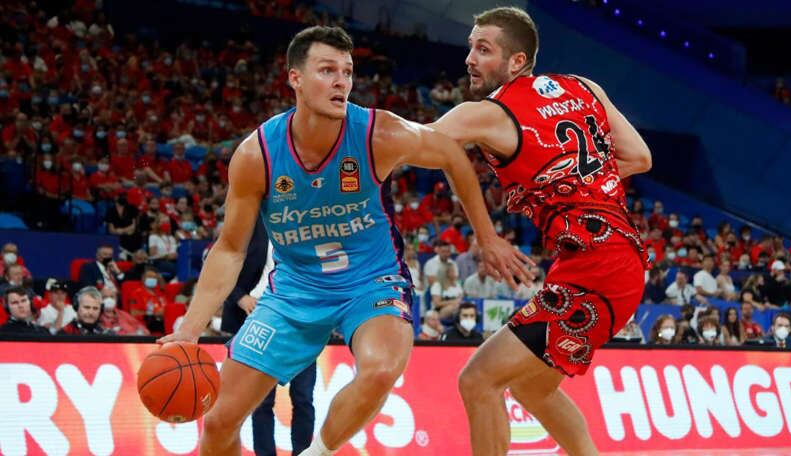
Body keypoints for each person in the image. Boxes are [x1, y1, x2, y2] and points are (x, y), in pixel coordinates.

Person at [159, 25, 530, 456]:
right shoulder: (257, 155)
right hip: (296, 288)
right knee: (219, 421)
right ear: (295, 78)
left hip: (371, 282)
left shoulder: (378, 133)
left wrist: (486, 236)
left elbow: (451, 154)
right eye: (327, 70)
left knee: (381, 368)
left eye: (347, 72)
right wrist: (189, 329)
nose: (341, 82)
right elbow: (230, 248)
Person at [429, 7, 651, 454]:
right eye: (471, 47)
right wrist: (569, 182)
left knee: (478, 380)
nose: (469, 58)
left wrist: (488, 234)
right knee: (533, 387)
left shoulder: (488, 113)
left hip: (597, 268)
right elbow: (640, 157)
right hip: (620, 258)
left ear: (517, 61)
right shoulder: (584, 87)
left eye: (483, 49)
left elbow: (415, 141)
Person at [220, 217, 316, 456]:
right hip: (259, 319)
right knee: (261, 401)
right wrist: (241, 298)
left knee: (303, 398)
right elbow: (220, 264)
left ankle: (303, 452)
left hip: (302, 320)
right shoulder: (251, 225)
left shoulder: (312, 227)